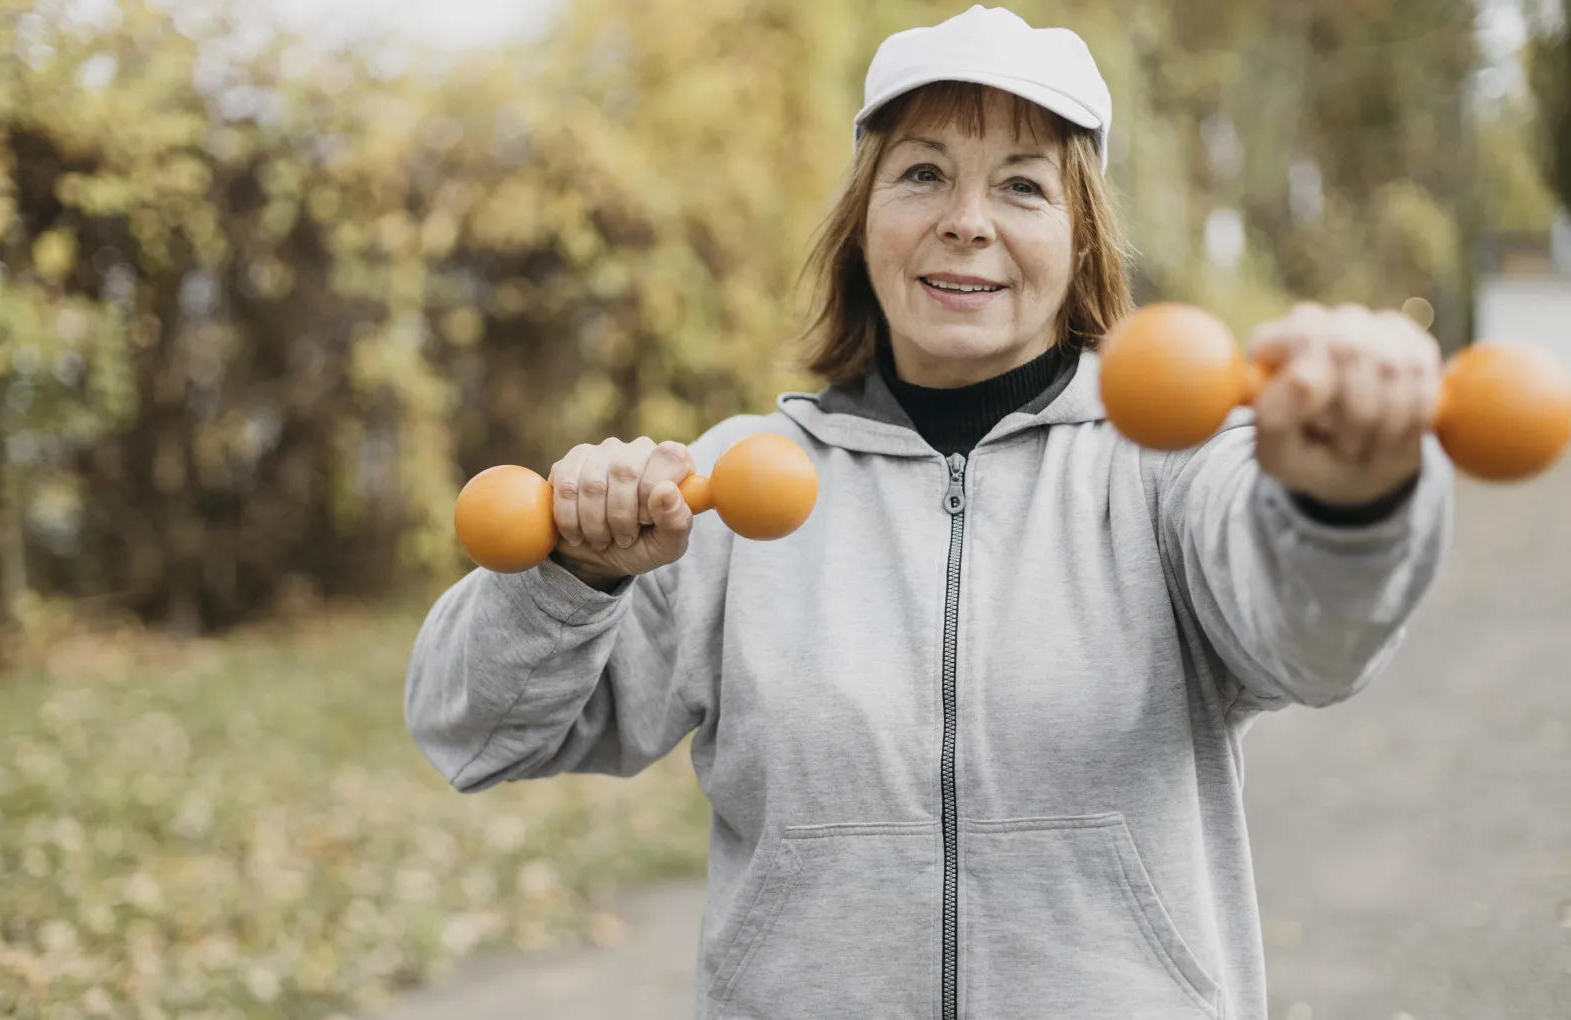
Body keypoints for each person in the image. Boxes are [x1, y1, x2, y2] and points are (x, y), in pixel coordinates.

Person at [404, 6, 1454, 1018]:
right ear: (863, 226)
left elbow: (1315, 645)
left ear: (1081, 242)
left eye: (1022, 186)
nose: (966, 219)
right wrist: (575, 576)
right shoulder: (725, 482)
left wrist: (1348, 498)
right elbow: (474, 728)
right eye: (921, 173)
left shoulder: (1166, 466)